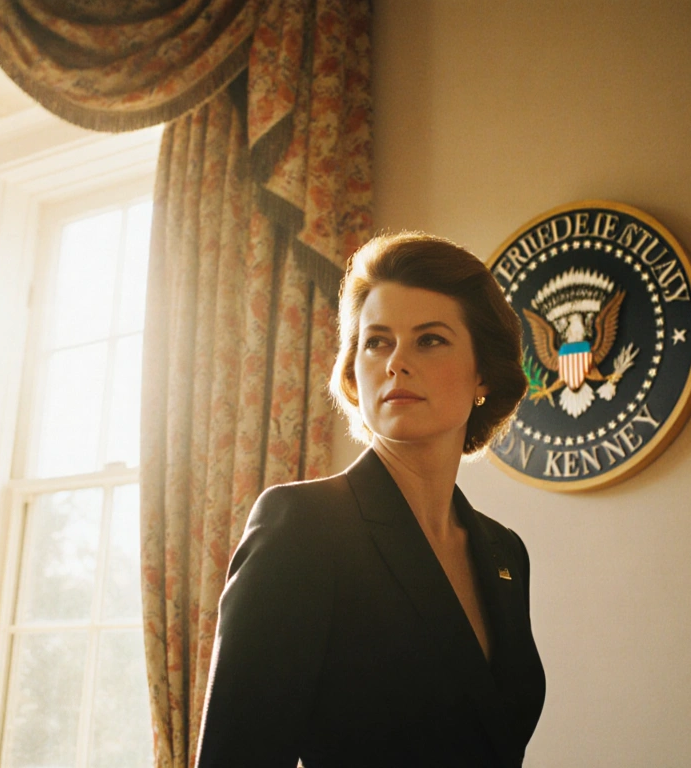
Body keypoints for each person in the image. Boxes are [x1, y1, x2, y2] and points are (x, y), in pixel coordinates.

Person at [194, 232, 547, 767]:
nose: (395, 363)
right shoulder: (303, 528)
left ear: (483, 373)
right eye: (377, 341)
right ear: (353, 371)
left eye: (429, 339)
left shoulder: (504, 552)